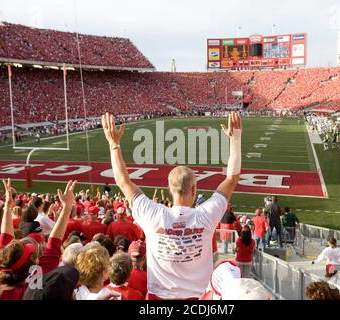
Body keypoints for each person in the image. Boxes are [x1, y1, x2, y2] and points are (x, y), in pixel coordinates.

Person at [101, 112, 242, 299]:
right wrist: (235, 139)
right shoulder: (206, 215)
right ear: (194, 189)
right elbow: (231, 179)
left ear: (169, 189)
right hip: (199, 298)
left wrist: (114, 145)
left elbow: (122, 181)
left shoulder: (153, 215)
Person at [0, 179, 77, 300]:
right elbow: (53, 245)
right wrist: (67, 207)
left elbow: (4, 239)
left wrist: (7, 206)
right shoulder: (29, 290)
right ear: (30, 271)